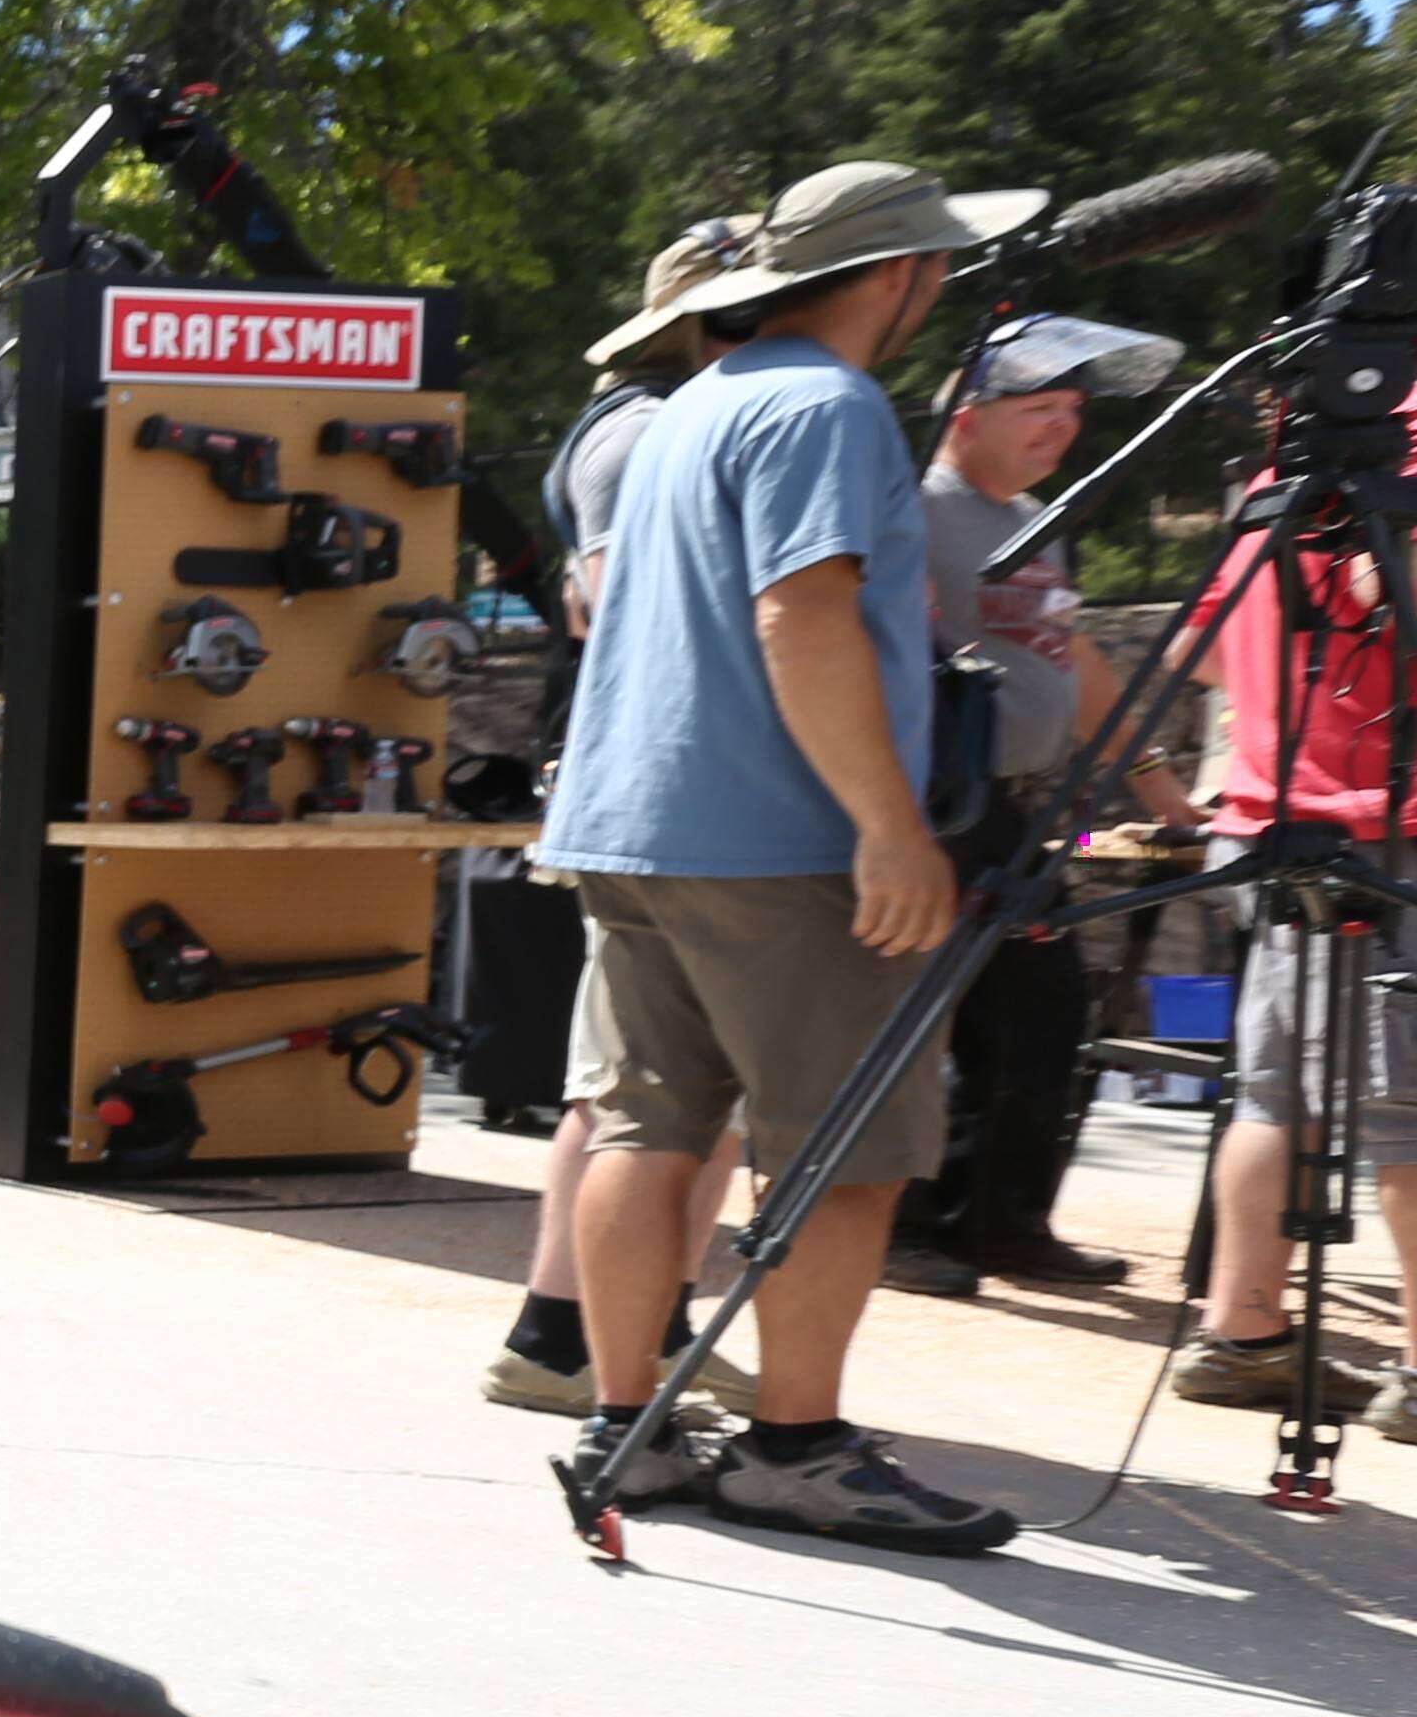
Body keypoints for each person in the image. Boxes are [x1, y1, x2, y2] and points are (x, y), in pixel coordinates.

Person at [535, 158, 1044, 1550]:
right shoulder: (831, 405)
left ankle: (627, 1427)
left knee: (647, 1126)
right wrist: (889, 825)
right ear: (900, 275)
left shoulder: (696, 401)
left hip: (635, 824)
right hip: (778, 838)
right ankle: (796, 1448)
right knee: (849, 1150)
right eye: (937, 267)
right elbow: (802, 616)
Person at [488, 214, 766, 1415]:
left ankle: (639, 1326)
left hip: (677, 791)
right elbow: (623, 601)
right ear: (713, 320)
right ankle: (564, 1339)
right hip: (656, 797)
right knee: (634, 1088)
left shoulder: (672, 422)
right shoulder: (641, 429)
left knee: (681, 1089)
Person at [890, 317, 1194, 1295]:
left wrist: (1157, 786)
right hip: (937, 805)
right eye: (1038, 408)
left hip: (1019, 811)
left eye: (1072, 410)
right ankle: (897, 1227)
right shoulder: (912, 511)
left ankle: (999, 1225)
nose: (1062, 428)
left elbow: (1077, 657)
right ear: (967, 416)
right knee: (914, 1022)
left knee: (1040, 1013)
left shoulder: (1034, 519)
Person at [1170, 480, 1417, 1429]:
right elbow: (1382, 586)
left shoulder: (1285, 468)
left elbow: (1199, 646)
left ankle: (1244, 1338)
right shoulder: (1396, 445)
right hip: (1383, 827)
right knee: (1405, 1107)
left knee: (1276, 1092)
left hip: (1270, 818)